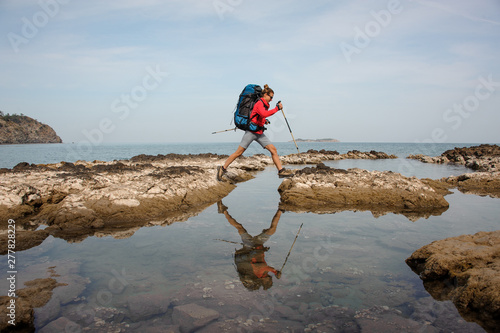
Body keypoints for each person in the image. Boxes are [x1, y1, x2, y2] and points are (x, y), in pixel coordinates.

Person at [217, 84, 294, 181]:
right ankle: (222, 168)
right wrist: (277, 109)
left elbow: (261, 116)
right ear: (265, 94)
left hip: (259, 132)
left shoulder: (264, 105)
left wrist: (264, 121)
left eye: (272, 98)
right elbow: (263, 113)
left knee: (273, 150)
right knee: (239, 152)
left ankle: (281, 171)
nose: (271, 99)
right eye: (271, 97)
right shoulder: (259, 103)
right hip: (251, 132)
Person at [217, 200, 282, 290]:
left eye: (269, 281)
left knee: (271, 229)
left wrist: (275, 271)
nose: (271, 279)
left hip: (252, 246)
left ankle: (281, 209)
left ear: (264, 281)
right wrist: (275, 272)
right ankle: (223, 211)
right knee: (240, 227)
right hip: (256, 245)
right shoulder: (263, 274)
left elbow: (262, 267)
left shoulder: (259, 274)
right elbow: (266, 268)